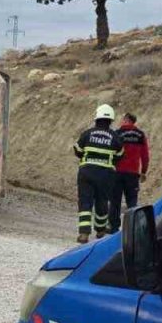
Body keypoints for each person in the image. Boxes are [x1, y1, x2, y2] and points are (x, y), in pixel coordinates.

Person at [73, 104, 124, 243]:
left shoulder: (87, 133)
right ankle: (100, 230)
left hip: (86, 172)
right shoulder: (115, 136)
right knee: (102, 201)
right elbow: (120, 155)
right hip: (106, 174)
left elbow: (77, 150)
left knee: (85, 202)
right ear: (111, 120)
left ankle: (84, 233)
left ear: (97, 118)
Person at [110, 112, 150, 232]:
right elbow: (145, 155)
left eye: (122, 119)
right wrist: (143, 171)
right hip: (132, 174)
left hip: (117, 172)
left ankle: (114, 227)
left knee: (115, 200)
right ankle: (133, 229)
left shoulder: (117, 133)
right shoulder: (140, 135)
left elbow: (111, 152)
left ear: (126, 119)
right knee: (132, 201)